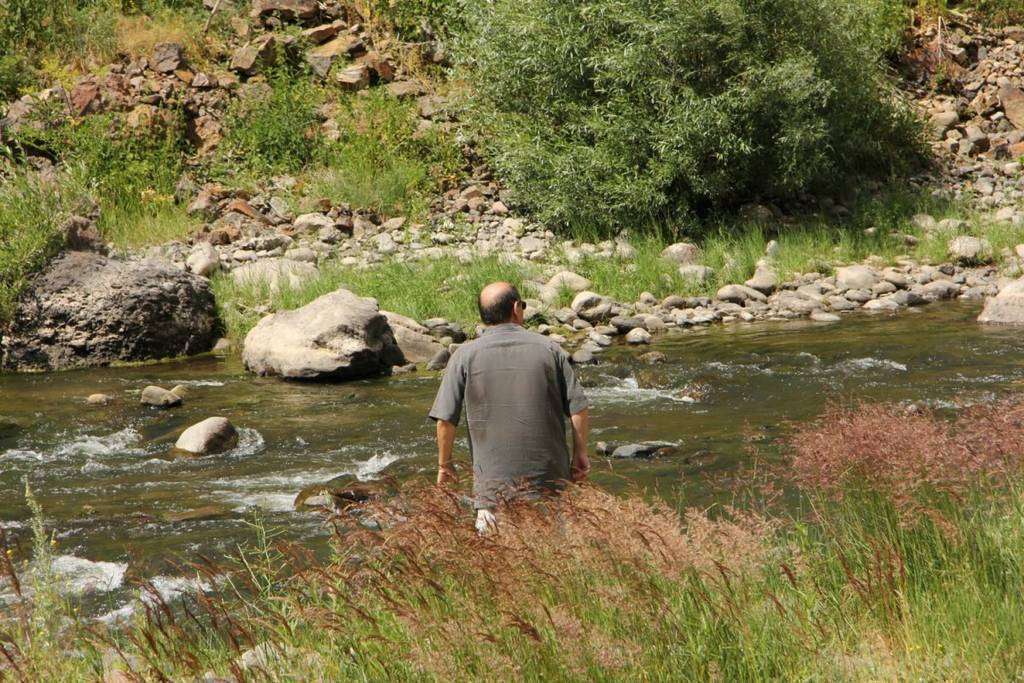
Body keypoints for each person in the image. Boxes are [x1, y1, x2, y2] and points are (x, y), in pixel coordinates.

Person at [428, 282, 591, 532]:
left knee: (499, 564)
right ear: (516, 308)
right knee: (556, 562)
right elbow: (577, 409)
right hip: (549, 485)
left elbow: (445, 421)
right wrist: (580, 454)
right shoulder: (550, 349)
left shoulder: (464, 356)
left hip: (493, 491)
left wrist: (444, 465)